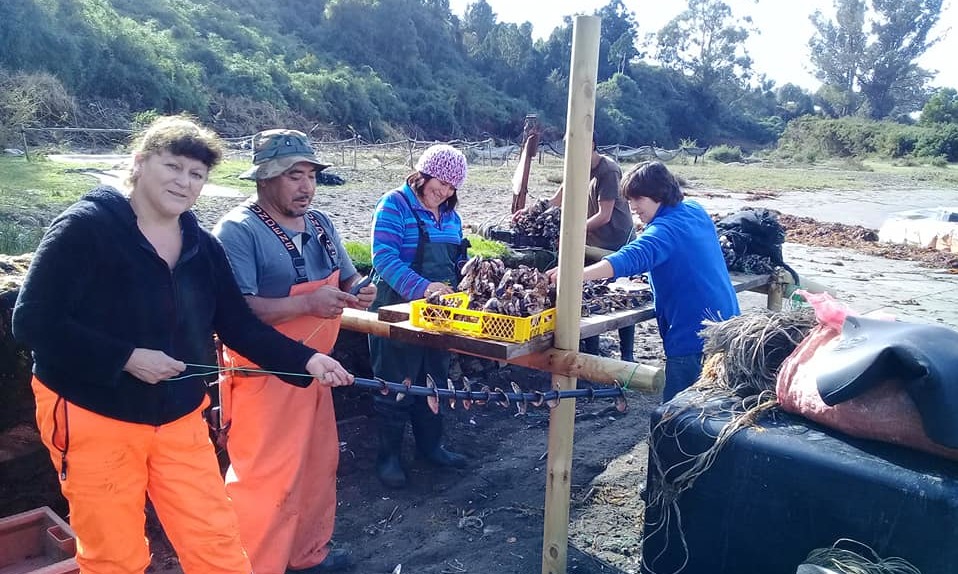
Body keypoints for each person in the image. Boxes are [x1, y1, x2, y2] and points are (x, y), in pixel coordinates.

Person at [12, 116, 353, 574]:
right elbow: (33, 319)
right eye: (173, 167)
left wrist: (308, 359)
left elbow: (238, 325)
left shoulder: (199, 243)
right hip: (93, 411)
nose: (184, 182)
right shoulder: (86, 228)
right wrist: (127, 358)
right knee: (116, 555)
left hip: (179, 416)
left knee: (218, 545)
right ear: (139, 163)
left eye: (196, 174)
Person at [212, 129, 375, 574]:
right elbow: (235, 313)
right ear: (263, 179)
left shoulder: (322, 224)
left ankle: (307, 557)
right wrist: (305, 303)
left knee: (317, 470)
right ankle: (256, 566)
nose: (306, 186)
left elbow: (347, 278)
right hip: (262, 378)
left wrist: (360, 290)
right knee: (264, 483)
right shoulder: (237, 232)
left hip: (315, 373)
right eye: (292, 176)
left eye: (310, 175)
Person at [547, 160, 740, 402]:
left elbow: (630, 257)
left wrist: (574, 274)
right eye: (630, 200)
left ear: (658, 194)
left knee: (679, 414)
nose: (633, 207)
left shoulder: (664, 231)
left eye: (638, 199)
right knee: (718, 404)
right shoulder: (694, 210)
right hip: (729, 323)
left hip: (694, 333)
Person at [368, 144, 470, 489]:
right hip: (397, 308)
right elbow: (383, 257)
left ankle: (431, 448)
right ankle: (389, 458)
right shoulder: (394, 205)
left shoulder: (451, 216)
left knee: (434, 379)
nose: (444, 191)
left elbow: (454, 262)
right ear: (422, 175)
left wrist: (465, 273)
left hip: (440, 314)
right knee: (395, 383)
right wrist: (424, 288)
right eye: (439, 182)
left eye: (452, 186)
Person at [514, 140, 637, 361]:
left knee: (622, 296)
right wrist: (531, 210)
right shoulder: (575, 168)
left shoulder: (607, 171)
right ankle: (592, 353)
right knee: (588, 294)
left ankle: (627, 356)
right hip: (589, 242)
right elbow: (557, 199)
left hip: (615, 243)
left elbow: (604, 215)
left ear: (590, 144)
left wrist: (571, 232)